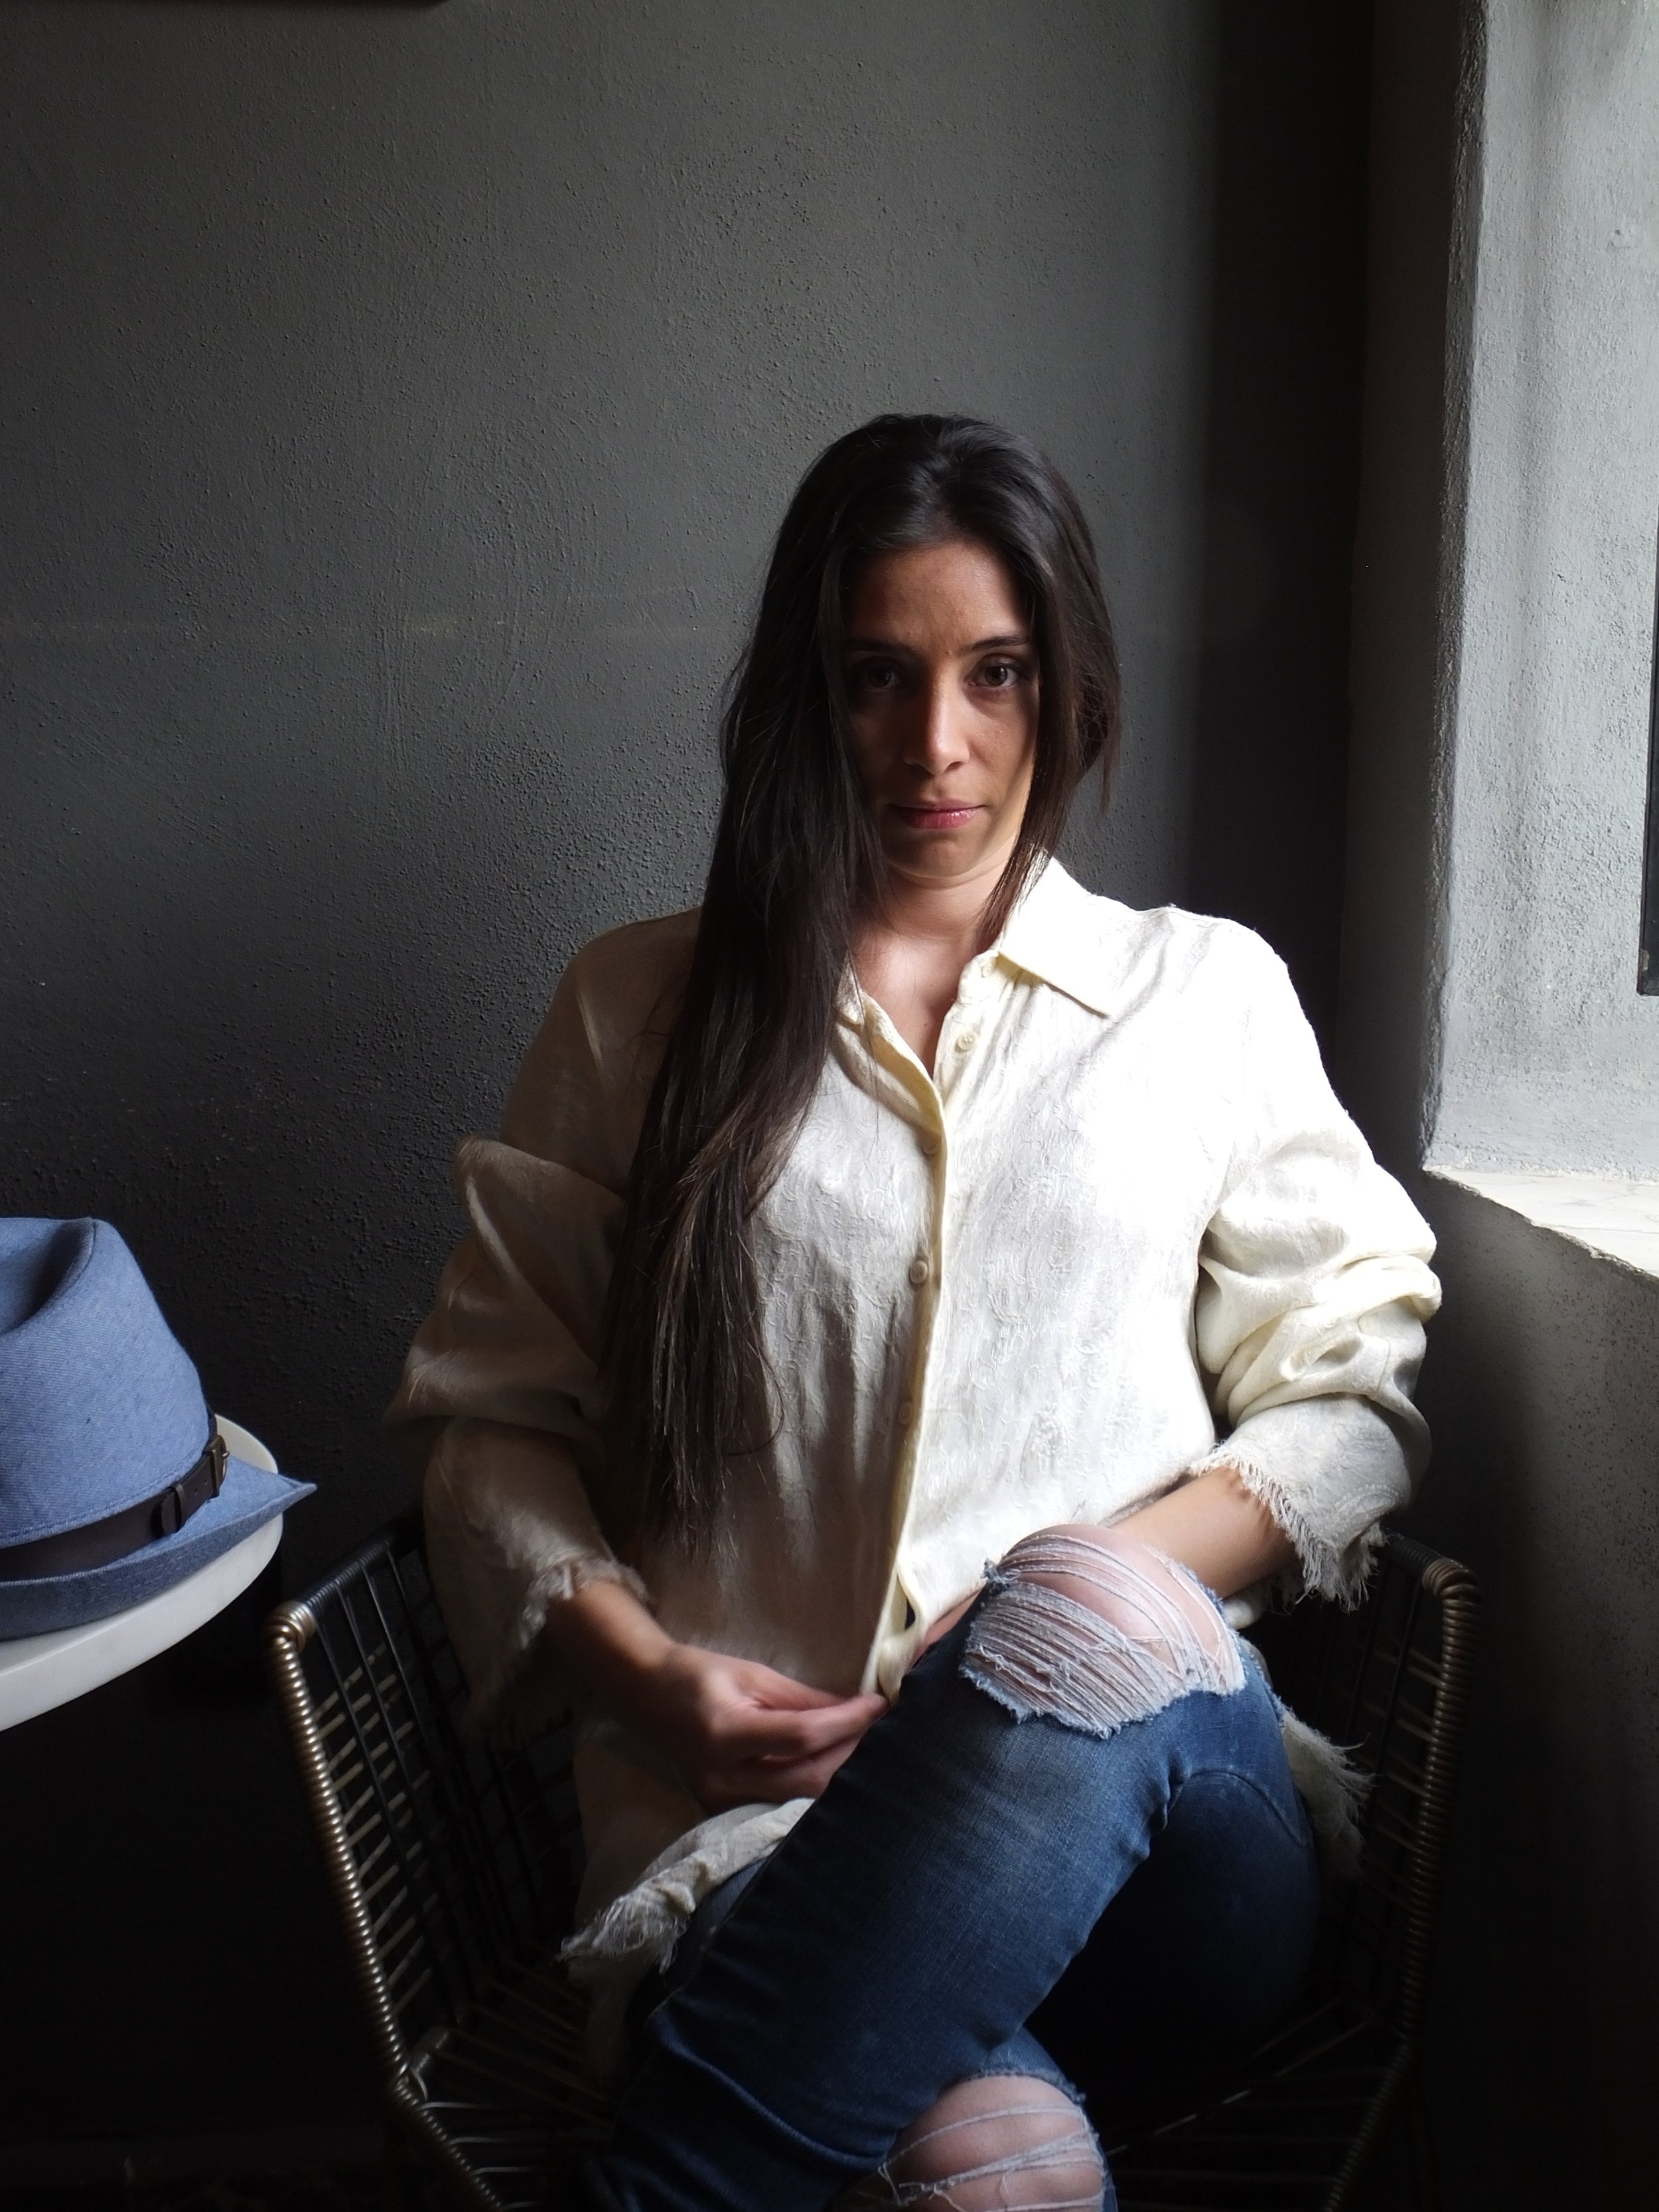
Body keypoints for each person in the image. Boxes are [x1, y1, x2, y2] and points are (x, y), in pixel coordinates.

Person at [388, 414, 1441, 2212]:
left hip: (1163, 1881)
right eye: (878, 677)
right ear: (806, 694)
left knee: (1081, 1601)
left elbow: (1348, 1403)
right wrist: (652, 1682)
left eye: (995, 674)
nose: (934, 746)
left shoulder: (1199, 998)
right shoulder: (636, 1012)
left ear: (1066, 681)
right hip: (755, 1861)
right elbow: (492, 1422)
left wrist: (1063, 1604)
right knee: (992, 2180)